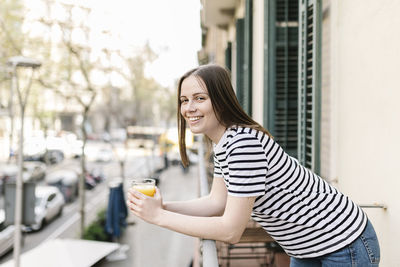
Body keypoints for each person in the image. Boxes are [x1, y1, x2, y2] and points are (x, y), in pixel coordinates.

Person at [127, 64, 380, 266]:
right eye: (184, 100)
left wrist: (159, 217)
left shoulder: (242, 145)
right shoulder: (224, 144)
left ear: (221, 101)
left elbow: (230, 230)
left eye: (199, 98)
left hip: (343, 242)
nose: (189, 108)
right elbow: (216, 202)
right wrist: (164, 207)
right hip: (307, 247)